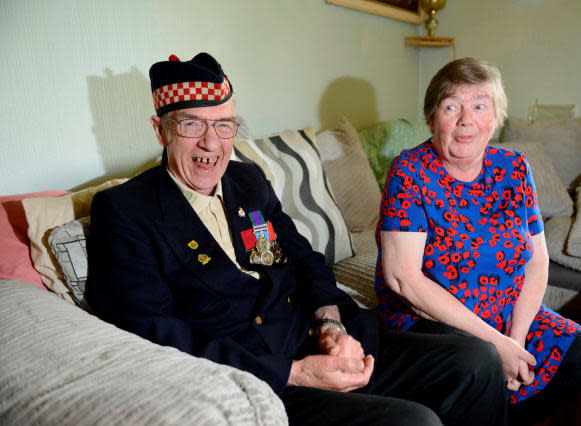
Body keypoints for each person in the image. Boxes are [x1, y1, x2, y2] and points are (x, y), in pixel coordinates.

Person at [85, 52, 510, 426]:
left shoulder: (246, 180)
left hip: (312, 336)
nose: (211, 145)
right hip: (259, 374)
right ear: (160, 131)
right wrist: (295, 372)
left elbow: (303, 259)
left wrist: (330, 325)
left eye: (225, 126)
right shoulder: (124, 210)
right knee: (415, 421)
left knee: (476, 360)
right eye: (192, 125)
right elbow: (152, 331)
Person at [376, 57, 581, 425]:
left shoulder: (514, 166)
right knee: (481, 362)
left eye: (480, 105)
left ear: (496, 118)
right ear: (432, 120)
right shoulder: (410, 171)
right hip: (432, 316)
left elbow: (536, 259)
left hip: (503, 309)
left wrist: (516, 339)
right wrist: (497, 346)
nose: (466, 120)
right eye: (451, 107)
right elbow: (403, 278)